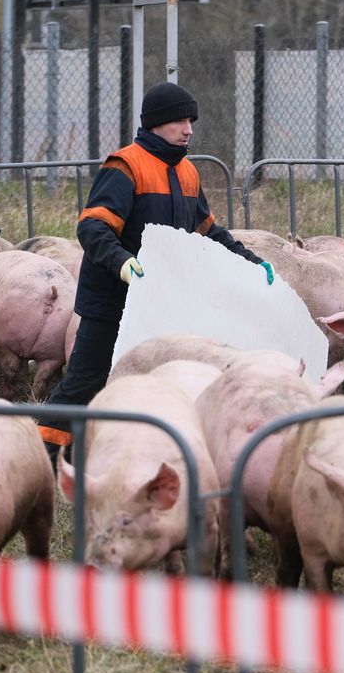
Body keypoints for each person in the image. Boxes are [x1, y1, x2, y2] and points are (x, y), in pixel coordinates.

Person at [36, 81, 273, 462]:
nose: (189, 129)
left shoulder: (188, 172)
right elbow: (93, 226)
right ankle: (40, 461)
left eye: (191, 120)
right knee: (83, 384)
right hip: (111, 303)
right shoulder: (126, 166)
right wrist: (122, 262)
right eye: (180, 120)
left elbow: (207, 231)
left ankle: (129, 459)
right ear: (158, 124)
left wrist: (250, 260)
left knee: (153, 383)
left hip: (159, 303)